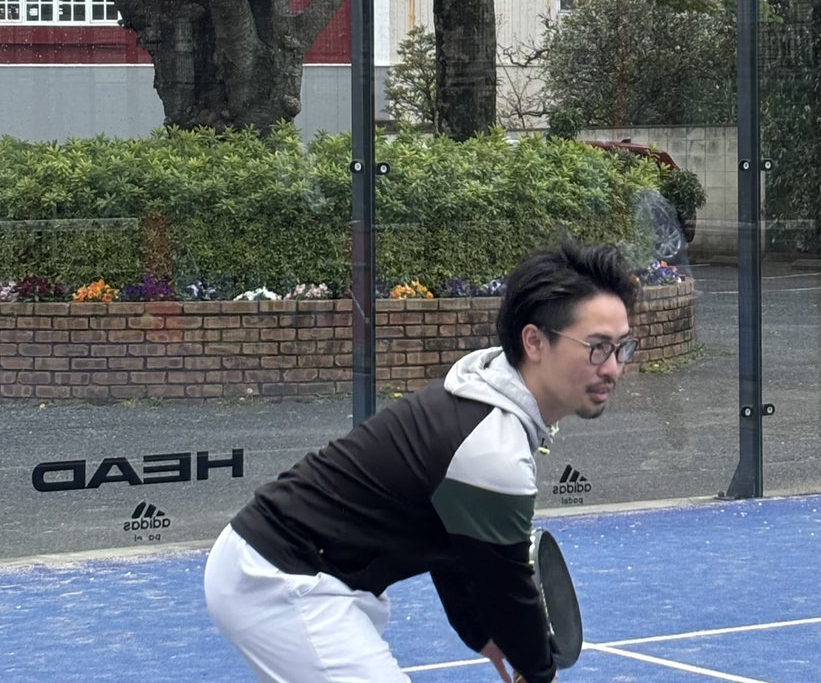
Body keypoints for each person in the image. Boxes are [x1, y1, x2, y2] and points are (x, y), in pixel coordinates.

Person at [204, 240, 640, 683]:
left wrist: (481, 633)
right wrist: (539, 671)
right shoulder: (491, 448)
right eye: (597, 347)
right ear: (534, 341)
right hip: (280, 578)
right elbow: (505, 588)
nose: (613, 368)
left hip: (294, 570)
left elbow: (456, 547)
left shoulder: (487, 398)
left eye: (622, 348)